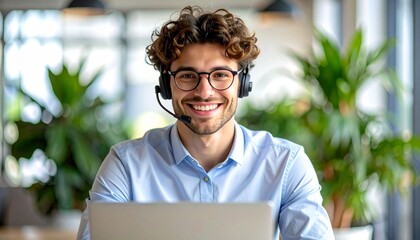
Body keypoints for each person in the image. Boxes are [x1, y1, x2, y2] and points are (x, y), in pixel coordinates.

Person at [77, 5, 334, 240]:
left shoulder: (286, 165)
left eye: (220, 75)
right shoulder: (126, 165)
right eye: (188, 76)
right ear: (167, 86)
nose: (204, 91)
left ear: (242, 84)